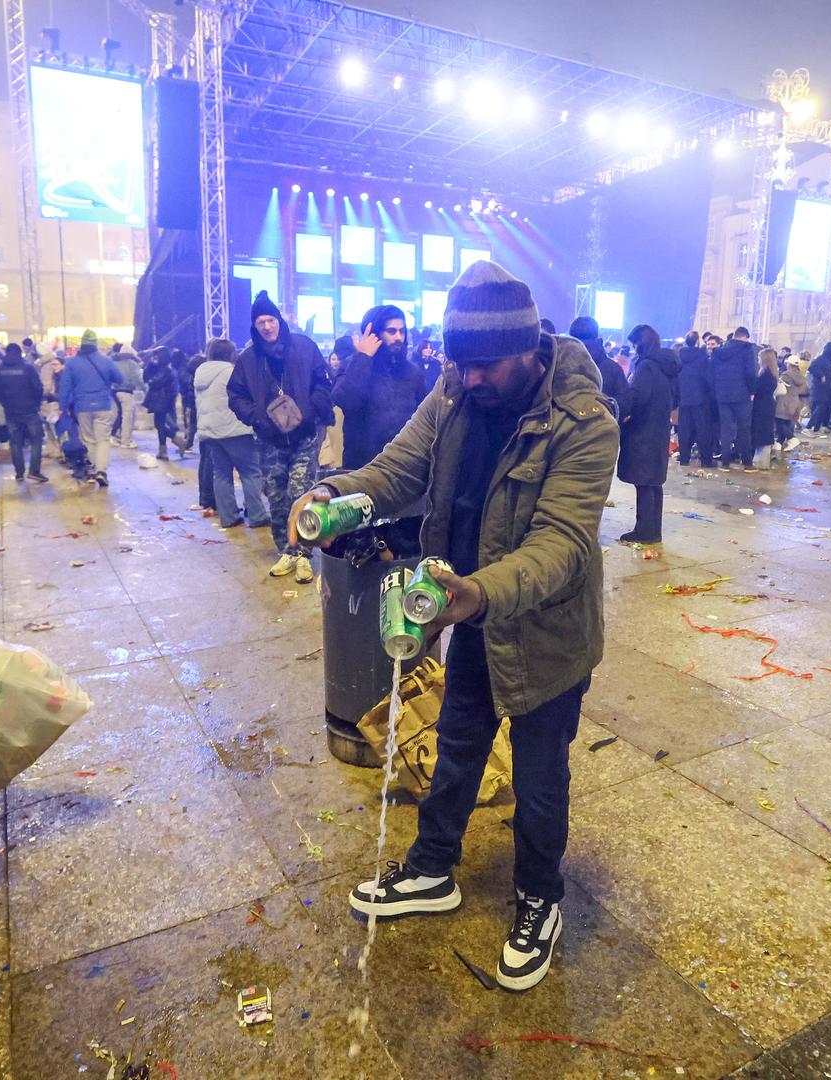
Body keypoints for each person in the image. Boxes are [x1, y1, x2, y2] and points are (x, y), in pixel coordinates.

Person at [295, 259, 616, 992]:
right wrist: (330, 493)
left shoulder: (583, 421)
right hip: (463, 609)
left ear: (530, 350)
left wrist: (474, 594)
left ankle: (539, 898)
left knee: (538, 777)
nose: (469, 380)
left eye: (485, 366)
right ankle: (432, 869)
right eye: (458, 363)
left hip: (542, 630)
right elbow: (394, 472)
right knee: (457, 743)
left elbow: (561, 545)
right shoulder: (451, 394)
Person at [227, 291, 334, 584]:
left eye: (270, 319)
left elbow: (324, 382)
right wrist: (258, 417)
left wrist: (310, 411)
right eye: (260, 321)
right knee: (275, 492)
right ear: (255, 326)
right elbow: (235, 395)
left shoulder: (304, 347)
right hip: (270, 439)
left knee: (299, 491)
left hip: (304, 435)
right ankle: (287, 549)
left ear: (279, 321)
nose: (266, 326)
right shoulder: (248, 359)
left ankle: (303, 554)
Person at [332, 304, 428, 470]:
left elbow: (424, 418)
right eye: (391, 331)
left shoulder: (413, 373)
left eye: (402, 331)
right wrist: (363, 358)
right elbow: (347, 400)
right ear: (375, 334)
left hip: (404, 465)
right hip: (362, 466)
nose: (398, 337)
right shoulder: (352, 365)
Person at [195, 338, 271, 529]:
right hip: (235, 430)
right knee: (251, 472)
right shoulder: (232, 372)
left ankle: (228, 517)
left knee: (221, 474)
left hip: (210, 431)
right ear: (230, 354)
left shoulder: (201, 372)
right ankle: (257, 515)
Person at [617, 324, 678, 544]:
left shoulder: (646, 367)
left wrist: (624, 411)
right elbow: (677, 398)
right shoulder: (668, 365)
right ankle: (654, 530)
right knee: (654, 481)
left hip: (643, 429)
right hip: (660, 427)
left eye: (634, 344)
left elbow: (637, 396)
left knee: (643, 480)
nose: (633, 349)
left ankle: (643, 530)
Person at [56, 329, 122, 486]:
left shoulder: (71, 362)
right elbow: (119, 378)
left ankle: (93, 467)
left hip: (82, 406)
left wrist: (63, 406)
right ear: (96, 344)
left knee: (89, 439)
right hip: (103, 405)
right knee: (103, 439)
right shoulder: (106, 361)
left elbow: (64, 387)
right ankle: (101, 470)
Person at [0, 343, 48, 483]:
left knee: (15, 442)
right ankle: (34, 471)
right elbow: (38, 388)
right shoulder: (28, 368)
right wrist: (36, 403)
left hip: (11, 411)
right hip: (30, 410)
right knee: (36, 440)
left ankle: (19, 473)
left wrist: (5, 402)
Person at [710, 327, 757, 467]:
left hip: (722, 395)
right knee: (744, 428)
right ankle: (747, 462)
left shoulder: (718, 352)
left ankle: (725, 462)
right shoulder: (747, 349)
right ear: (745, 337)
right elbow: (750, 372)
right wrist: (752, 390)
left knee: (726, 429)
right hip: (742, 395)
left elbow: (712, 373)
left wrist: (717, 391)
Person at [567, 315, 629, 411]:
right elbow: (625, 404)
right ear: (597, 335)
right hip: (604, 424)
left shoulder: (561, 367)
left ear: (571, 337)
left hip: (567, 425)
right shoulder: (613, 369)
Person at [676, 331, 715, 466]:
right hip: (700, 398)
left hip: (684, 397)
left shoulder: (680, 356)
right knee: (703, 429)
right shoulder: (702, 357)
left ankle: (684, 457)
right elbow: (707, 377)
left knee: (684, 429)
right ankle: (705, 460)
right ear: (698, 342)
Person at [142, 349, 181, 461]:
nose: (155, 358)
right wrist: (150, 365)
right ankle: (164, 449)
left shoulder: (166, 370)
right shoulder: (162, 369)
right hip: (160, 401)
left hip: (162, 401)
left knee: (159, 425)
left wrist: (151, 378)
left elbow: (154, 382)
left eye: (156, 356)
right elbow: (146, 378)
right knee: (160, 425)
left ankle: (176, 442)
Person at [749, 346, 780, 468]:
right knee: (765, 432)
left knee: (761, 433)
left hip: (762, 407)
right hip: (767, 406)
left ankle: (761, 462)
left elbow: (758, 390)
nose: (758, 361)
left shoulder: (765, 376)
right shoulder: (771, 374)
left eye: (759, 358)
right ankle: (761, 461)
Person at [110, 343, 142, 449]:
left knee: (120, 415)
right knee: (127, 416)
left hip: (114, 390)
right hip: (126, 390)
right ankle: (125, 441)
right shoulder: (132, 363)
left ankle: (113, 435)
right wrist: (143, 388)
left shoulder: (114, 361)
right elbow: (137, 378)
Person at [775, 353, 809, 449]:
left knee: (779, 421)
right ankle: (779, 444)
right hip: (795, 402)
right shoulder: (802, 377)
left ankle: (792, 438)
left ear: (789, 364)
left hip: (784, 402)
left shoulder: (786, 375)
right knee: (787, 422)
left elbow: (778, 387)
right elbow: (805, 391)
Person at [806, 342, 831, 431]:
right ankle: (810, 425)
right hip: (819, 387)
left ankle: (816, 427)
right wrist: (821, 375)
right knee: (820, 406)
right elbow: (811, 368)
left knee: (823, 407)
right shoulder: (821, 359)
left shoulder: (829, 360)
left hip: (826, 387)